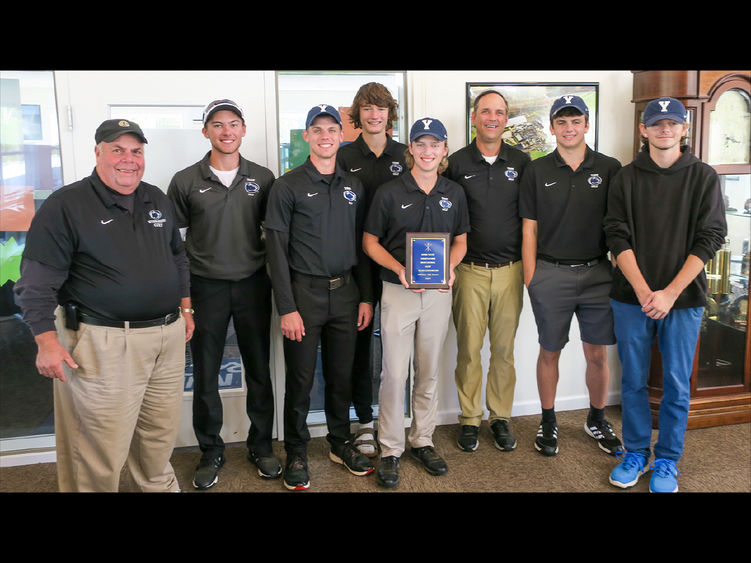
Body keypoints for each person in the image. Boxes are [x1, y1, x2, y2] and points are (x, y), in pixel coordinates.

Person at [14, 119, 194, 492]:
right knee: (96, 446)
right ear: (98, 152)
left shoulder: (156, 197)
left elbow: (177, 258)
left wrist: (186, 308)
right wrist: (46, 342)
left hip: (166, 337)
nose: (128, 160)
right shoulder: (67, 204)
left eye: (136, 151)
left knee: (159, 437)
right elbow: (34, 283)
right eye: (118, 150)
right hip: (103, 342)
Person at [604, 97, 727, 492]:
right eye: (657, 123)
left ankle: (668, 461)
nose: (665, 129)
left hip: (684, 301)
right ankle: (636, 452)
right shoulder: (625, 178)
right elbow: (616, 234)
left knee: (676, 384)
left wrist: (670, 293)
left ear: (684, 128)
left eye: (672, 123)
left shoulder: (703, 176)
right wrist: (644, 290)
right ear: (644, 129)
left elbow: (711, 238)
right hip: (631, 298)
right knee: (634, 381)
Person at [167, 99, 279, 490]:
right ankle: (210, 450)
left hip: (252, 284)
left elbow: (276, 235)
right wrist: (182, 300)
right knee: (206, 374)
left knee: (259, 370)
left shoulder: (263, 178)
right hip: (205, 287)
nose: (226, 131)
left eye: (234, 124)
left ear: (243, 130)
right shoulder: (185, 180)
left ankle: (261, 444)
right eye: (218, 125)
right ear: (206, 131)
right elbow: (172, 243)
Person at [264, 104, 375, 490]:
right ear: (307, 136)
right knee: (301, 378)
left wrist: (365, 297)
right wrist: (287, 307)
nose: (326, 135)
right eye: (318, 129)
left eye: (332, 129)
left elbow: (360, 246)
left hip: (346, 293)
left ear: (340, 135)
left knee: (341, 376)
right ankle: (296, 450)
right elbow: (275, 251)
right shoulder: (287, 185)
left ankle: (339, 442)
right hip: (303, 295)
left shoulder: (353, 186)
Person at [363, 117, 469, 488]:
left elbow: (460, 241)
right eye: (420, 144)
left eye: (434, 145)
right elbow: (370, 242)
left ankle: (422, 439)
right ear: (410, 149)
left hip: (439, 293)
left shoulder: (453, 192)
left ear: (443, 150)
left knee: (429, 370)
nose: (427, 151)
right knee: (394, 373)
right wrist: (399, 267)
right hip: (398, 290)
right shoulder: (389, 192)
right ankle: (390, 448)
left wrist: (451, 267)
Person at [519, 95, 623, 457]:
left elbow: (618, 227)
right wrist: (531, 277)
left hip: (598, 274)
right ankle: (548, 422)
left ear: (586, 125)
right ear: (551, 128)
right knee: (549, 351)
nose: (568, 128)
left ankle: (596, 418)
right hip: (550, 274)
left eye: (575, 120)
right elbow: (528, 229)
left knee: (597, 353)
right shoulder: (536, 170)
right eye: (561, 122)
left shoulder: (610, 168)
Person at [444, 89, 531, 452]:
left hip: (511, 270)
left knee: (504, 351)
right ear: (474, 117)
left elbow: (530, 220)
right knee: (468, 349)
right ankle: (468, 418)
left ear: (505, 119)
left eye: (499, 112)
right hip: (469, 270)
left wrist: (530, 270)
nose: (492, 117)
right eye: (485, 111)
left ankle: (500, 417)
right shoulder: (457, 163)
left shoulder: (522, 162)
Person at [337, 82, 408, 457]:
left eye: (380, 107)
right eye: (366, 108)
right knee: (361, 344)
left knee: (397, 347)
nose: (374, 114)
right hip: (356, 265)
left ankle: (393, 420)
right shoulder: (344, 155)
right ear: (358, 114)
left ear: (389, 113)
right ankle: (363, 420)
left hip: (399, 266)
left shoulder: (406, 154)